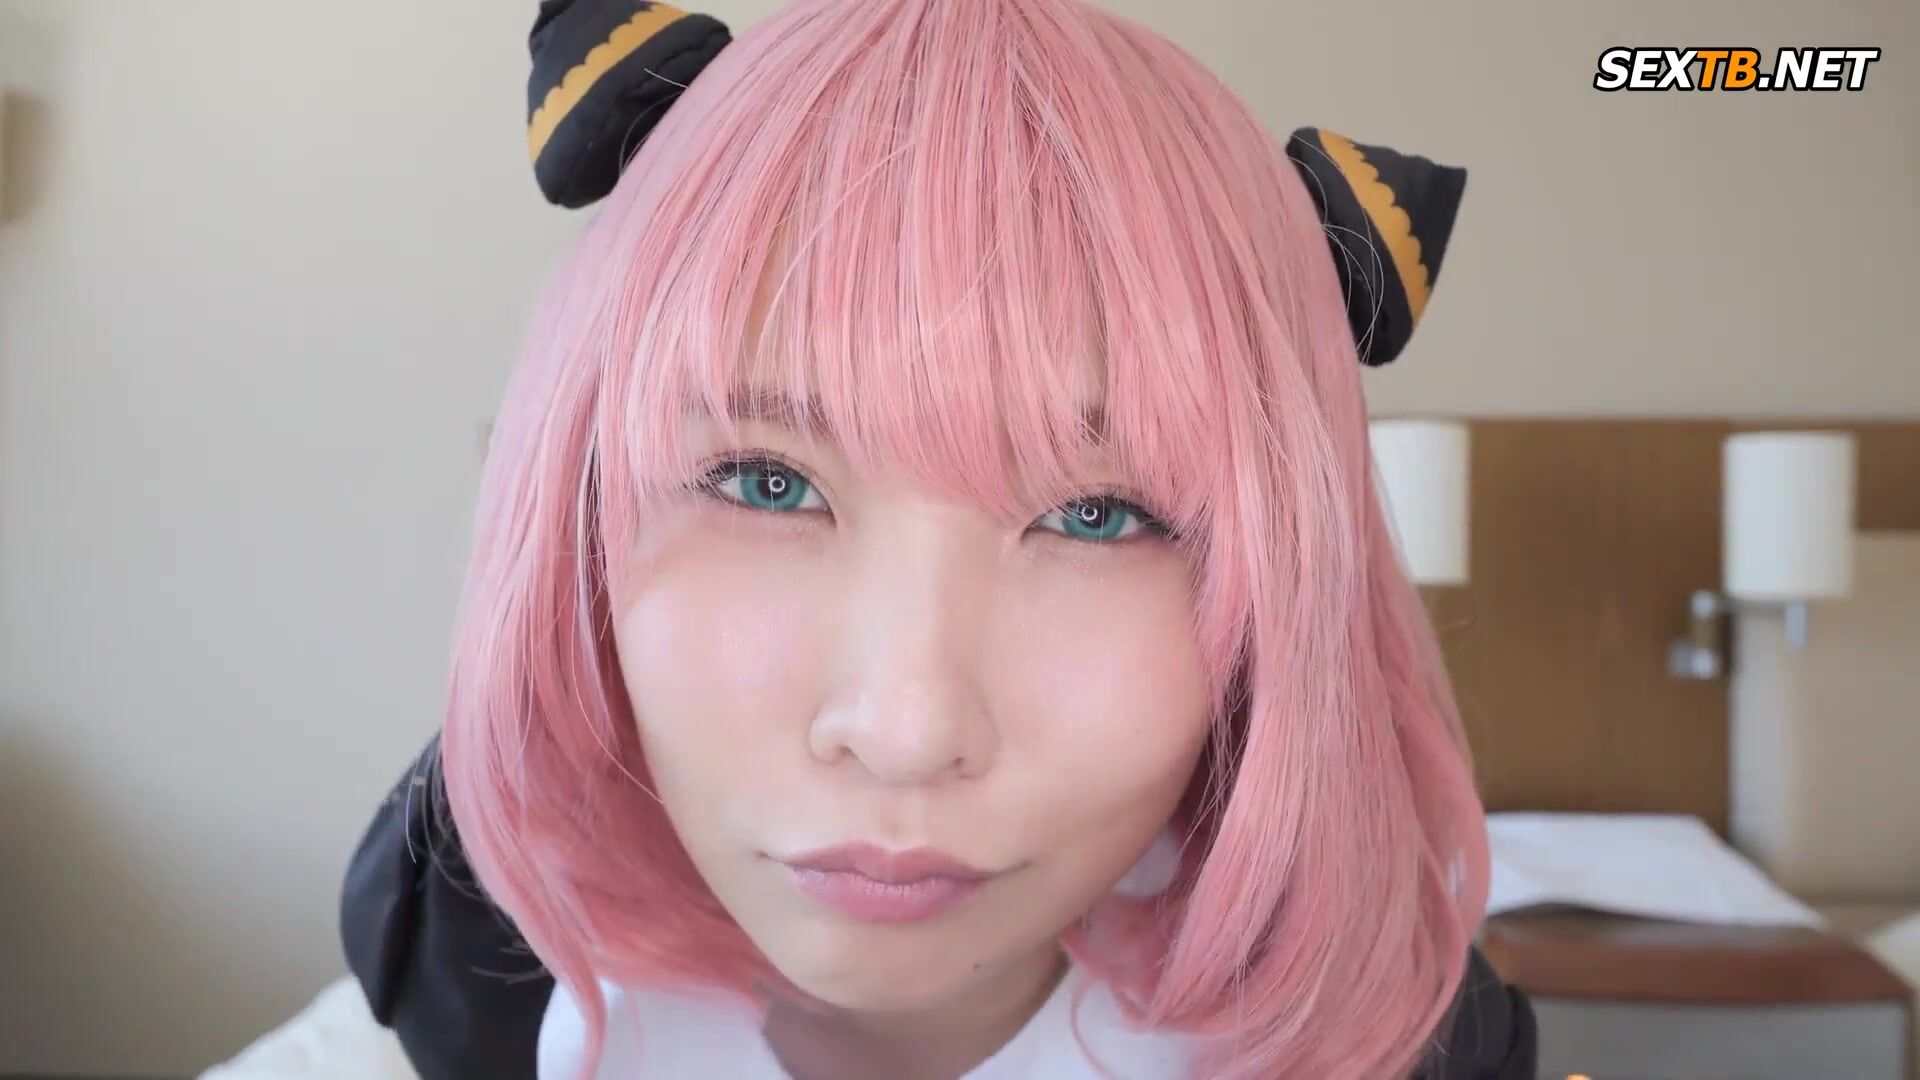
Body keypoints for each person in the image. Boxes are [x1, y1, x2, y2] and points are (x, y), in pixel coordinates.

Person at [343, 1, 1539, 1076]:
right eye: (766, 484)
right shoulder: (472, 961)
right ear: (580, 508)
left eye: (1098, 516)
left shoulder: (1415, 1050)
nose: (905, 733)